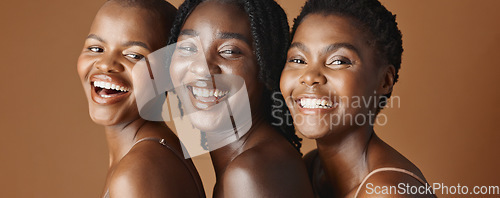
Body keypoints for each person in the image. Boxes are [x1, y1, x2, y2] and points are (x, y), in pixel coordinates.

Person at [280, 0, 435, 197]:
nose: (310, 76)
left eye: (338, 61)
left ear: (385, 81)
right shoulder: (310, 168)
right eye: (298, 60)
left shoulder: (388, 192)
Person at [168, 0, 314, 197]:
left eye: (229, 51)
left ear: (266, 67)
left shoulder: (252, 172)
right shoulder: (248, 162)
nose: (202, 68)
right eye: (188, 48)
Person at [76, 0, 205, 197]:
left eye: (134, 55)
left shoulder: (138, 171)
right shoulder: (148, 154)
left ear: (170, 73)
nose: (106, 64)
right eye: (96, 49)